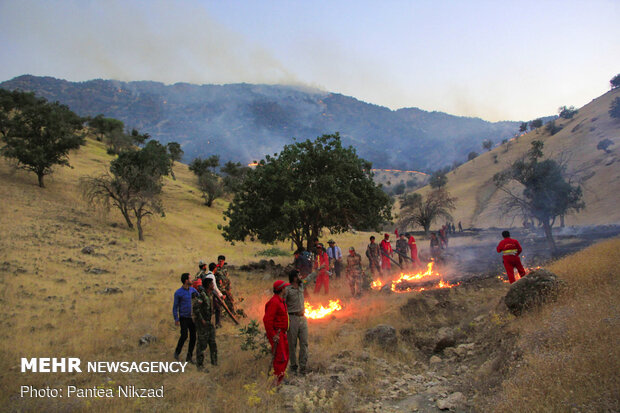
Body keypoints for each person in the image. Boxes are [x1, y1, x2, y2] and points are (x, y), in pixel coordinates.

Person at [284, 269, 316, 376]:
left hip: (303, 318)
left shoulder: (302, 286)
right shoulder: (287, 290)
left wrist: (318, 271)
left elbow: (309, 279)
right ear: (294, 278)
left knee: (304, 343)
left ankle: (303, 367)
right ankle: (293, 366)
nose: (301, 277)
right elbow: (282, 303)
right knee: (292, 344)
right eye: (299, 275)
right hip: (292, 318)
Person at [263, 280, 290, 385]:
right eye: (285, 288)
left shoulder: (280, 300)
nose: (286, 290)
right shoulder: (274, 302)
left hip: (282, 334)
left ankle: (281, 377)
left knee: (285, 355)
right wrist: (273, 335)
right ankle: (277, 381)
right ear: (281, 289)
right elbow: (267, 320)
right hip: (277, 335)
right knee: (280, 357)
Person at [192, 278, 217, 369]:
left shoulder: (211, 294)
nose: (213, 285)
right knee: (202, 344)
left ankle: (214, 363)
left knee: (212, 343)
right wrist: (201, 320)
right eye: (212, 284)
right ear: (208, 285)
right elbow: (196, 308)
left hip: (210, 323)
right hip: (203, 324)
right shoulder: (202, 296)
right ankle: (200, 365)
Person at [173, 273, 197, 362]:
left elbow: (199, 298)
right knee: (184, 336)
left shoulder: (193, 290)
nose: (192, 280)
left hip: (192, 318)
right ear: (186, 281)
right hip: (183, 317)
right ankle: (177, 352)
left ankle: (189, 357)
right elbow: (175, 307)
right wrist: (176, 319)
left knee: (193, 337)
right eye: (190, 278)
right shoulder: (178, 293)